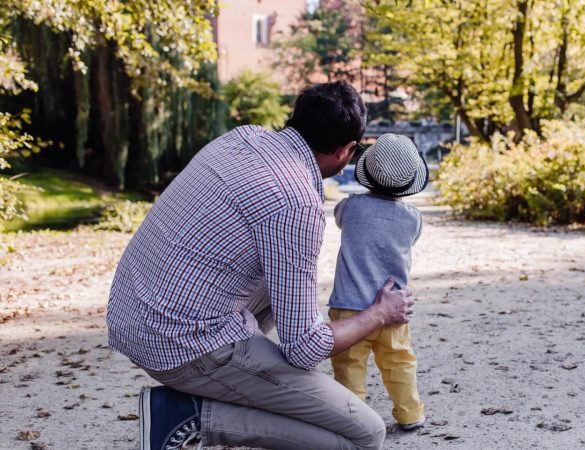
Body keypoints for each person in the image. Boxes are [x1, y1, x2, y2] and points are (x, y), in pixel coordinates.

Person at [106, 81, 415, 450]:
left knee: (281, 279)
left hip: (134, 316)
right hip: (181, 345)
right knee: (364, 433)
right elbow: (305, 346)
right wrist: (380, 313)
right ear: (347, 150)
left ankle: (250, 384)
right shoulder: (296, 202)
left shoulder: (242, 137)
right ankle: (188, 416)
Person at [328, 133, 428, 432]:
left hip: (348, 310)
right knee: (399, 362)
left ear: (367, 173)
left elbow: (338, 218)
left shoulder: (350, 208)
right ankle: (410, 413)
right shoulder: (413, 219)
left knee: (349, 368)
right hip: (393, 309)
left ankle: (353, 419)